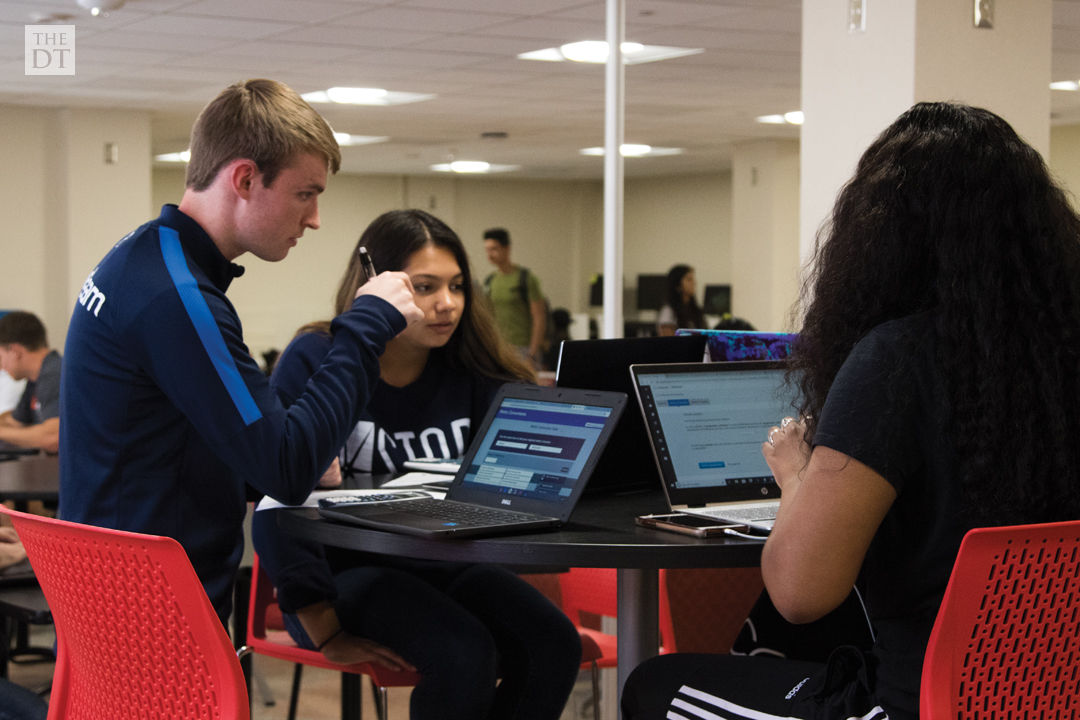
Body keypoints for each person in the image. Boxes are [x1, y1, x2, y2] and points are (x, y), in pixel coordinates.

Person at [621, 102, 1080, 720]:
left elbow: (798, 594)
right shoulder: (1060, 355)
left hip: (913, 704)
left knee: (654, 684)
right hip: (1052, 703)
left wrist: (796, 477)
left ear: (880, 238)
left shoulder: (898, 360)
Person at [58, 79, 423, 628]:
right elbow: (288, 468)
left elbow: (167, 434)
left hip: (113, 593)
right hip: (146, 613)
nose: (316, 218)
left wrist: (258, 465)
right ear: (246, 179)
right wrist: (367, 326)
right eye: (306, 193)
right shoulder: (176, 297)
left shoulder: (144, 256)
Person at [252, 209, 581, 719]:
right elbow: (275, 498)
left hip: (444, 564)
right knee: (463, 652)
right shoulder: (319, 355)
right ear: (376, 288)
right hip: (340, 574)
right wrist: (324, 627)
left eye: (456, 286)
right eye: (424, 287)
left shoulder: (472, 366)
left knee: (555, 643)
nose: (445, 304)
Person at [482, 227, 547, 367]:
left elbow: (539, 317)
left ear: (507, 248)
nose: (490, 254)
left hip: (524, 348)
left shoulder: (526, 278)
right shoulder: (490, 281)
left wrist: (533, 353)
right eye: (487, 250)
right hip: (500, 348)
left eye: (494, 249)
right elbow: (488, 317)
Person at [0, 311, 60, 453]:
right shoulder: (34, 380)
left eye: (1, 357)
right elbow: (14, 423)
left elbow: (53, 437)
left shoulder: (55, 374)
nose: (1, 366)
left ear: (16, 351)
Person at [656, 264, 705, 336]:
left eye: (693, 279)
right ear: (677, 285)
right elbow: (668, 342)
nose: (694, 283)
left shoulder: (695, 310)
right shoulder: (668, 311)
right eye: (689, 280)